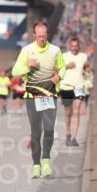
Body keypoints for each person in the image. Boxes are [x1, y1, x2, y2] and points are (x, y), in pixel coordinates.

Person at [11, 21, 65, 179]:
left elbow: (62, 67)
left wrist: (59, 76)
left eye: (44, 36)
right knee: (36, 132)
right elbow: (15, 71)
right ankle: (36, 165)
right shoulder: (27, 50)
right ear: (34, 35)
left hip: (49, 95)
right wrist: (28, 66)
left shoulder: (56, 50)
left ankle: (46, 161)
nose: (42, 39)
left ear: (47, 35)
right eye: (39, 36)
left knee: (49, 130)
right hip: (32, 96)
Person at [59, 37, 89, 147]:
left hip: (79, 87)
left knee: (76, 111)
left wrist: (87, 77)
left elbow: (86, 70)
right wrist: (66, 66)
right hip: (66, 87)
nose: (74, 48)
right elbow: (56, 70)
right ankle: (67, 134)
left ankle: (74, 138)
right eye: (72, 46)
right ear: (69, 46)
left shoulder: (84, 57)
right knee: (68, 112)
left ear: (79, 46)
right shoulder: (64, 56)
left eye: (76, 46)